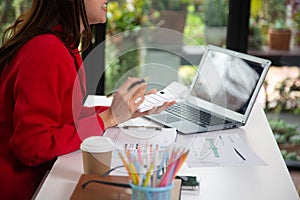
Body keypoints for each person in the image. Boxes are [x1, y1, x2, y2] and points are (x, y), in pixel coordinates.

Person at [0, 0, 174, 199]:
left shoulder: (63, 44)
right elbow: (33, 146)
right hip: (26, 188)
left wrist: (123, 112)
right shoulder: (47, 51)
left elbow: (64, 115)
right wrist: (107, 118)